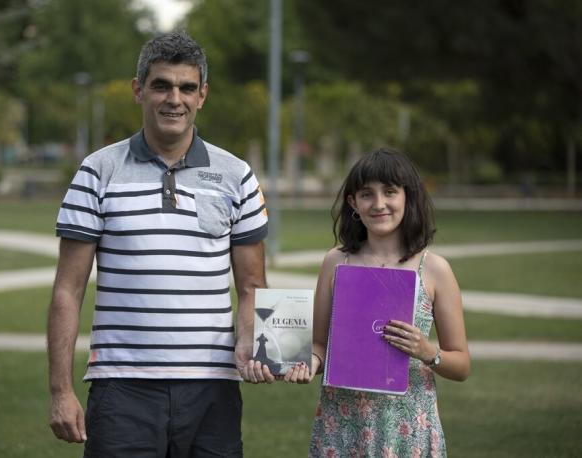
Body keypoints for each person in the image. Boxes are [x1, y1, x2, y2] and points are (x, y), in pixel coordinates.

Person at [47, 30, 273, 458]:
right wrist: (60, 390)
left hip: (212, 390)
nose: (175, 99)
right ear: (139, 91)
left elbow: (252, 288)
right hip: (122, 389)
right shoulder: (98, 171)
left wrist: (254, 344)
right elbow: (67, 289)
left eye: (187, 87)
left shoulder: (236, 174)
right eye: (161, 85)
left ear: (202, 95)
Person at [285, 148, 470, 457]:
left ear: (408, 197)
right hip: (342, 424)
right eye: (367, 194)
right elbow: (318, 344)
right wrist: (308, 363)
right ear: (353, 203)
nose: (379, 203)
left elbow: (462, 365)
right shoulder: (336, 261)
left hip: (407, 427)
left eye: (390, 192)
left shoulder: (435, 269)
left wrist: (427, 351)